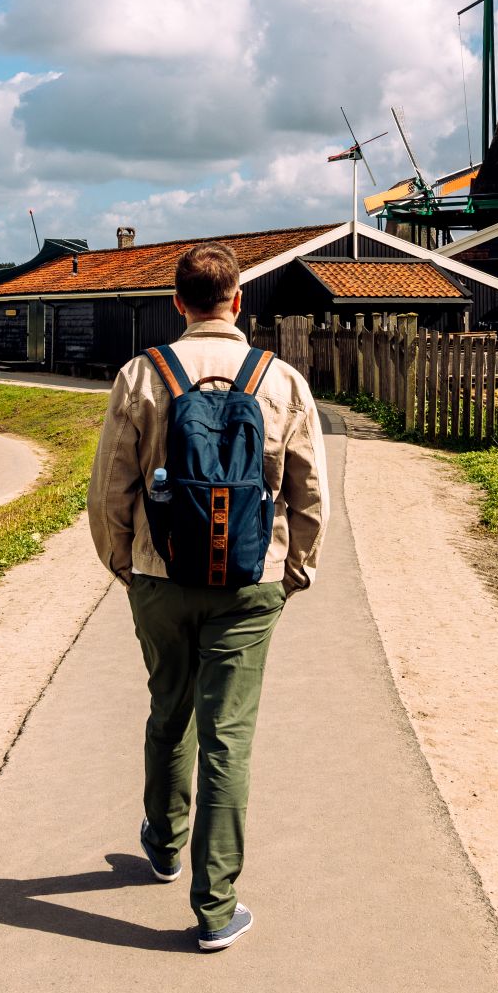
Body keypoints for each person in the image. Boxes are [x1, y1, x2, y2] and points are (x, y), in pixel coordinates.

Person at [88, 242, 325, 952]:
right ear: (239, 300)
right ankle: (216, 907)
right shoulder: (280, 379)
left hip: (161, 576)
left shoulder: (141, 374)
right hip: (250, 584)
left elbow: (110, 489)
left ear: (177, 302)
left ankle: (163, 842)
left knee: (170, 707)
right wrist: (295, 570)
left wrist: (125, 563)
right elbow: (309, 489)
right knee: (229, 738)